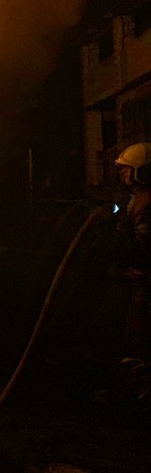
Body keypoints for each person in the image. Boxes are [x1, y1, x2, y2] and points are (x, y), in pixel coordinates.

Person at [108, 142, 151, 358]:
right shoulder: (135, 201)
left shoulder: (147, 205)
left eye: (126, 170)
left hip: (142, 283)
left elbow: (144, 248)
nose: (123, 175)